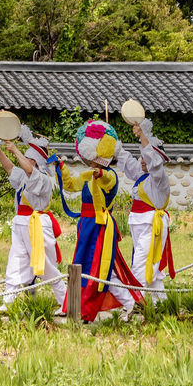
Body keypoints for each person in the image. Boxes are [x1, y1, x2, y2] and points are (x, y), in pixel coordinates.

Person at [55, 119, 143, 321]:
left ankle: (129, 304)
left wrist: (100, 172)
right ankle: (74, 305)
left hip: (101, 227)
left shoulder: (110, 175)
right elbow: (70, 184)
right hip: (86, 225)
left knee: (103, 269)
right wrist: (61, 166)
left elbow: (106, 180)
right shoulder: (88, 174)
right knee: (80, 266)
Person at [0, 126, 67, 310]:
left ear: (35, 161)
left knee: (47, 268)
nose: (24, 160)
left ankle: (66, 302)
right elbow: (11, 169)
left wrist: (15, 150)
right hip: (21, 223)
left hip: (37, 224)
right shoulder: (25, 175)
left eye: (28, 158)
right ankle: (8, 302)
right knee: (15, 262)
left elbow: (28, 170)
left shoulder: (43, 178)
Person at [115, 119, 176, 303]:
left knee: (140, 265)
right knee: (154, 271)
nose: (142, 160)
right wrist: (113, 142)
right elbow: (127, 160)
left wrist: (142, 135)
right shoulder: (142, 176)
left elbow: (153, 162)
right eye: (141, 157)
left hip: (152, 226)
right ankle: (162, 305)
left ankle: (134, 303)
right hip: (139, 225)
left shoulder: (159, 177)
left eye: (146, 157)